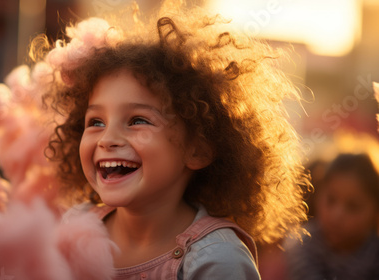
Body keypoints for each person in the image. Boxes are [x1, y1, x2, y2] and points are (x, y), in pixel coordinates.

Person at [37, 1, 310, 278]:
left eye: (138, 120)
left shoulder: (218, 260)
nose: (107, 139)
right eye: (96, 122)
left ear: (198, 149)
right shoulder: (74, 225)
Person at [287, 153, 379, 280]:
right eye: (331, 200)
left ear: (375, 213)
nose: (337, 215)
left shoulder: (374, 253)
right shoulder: (305, 244)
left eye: (353, 206)